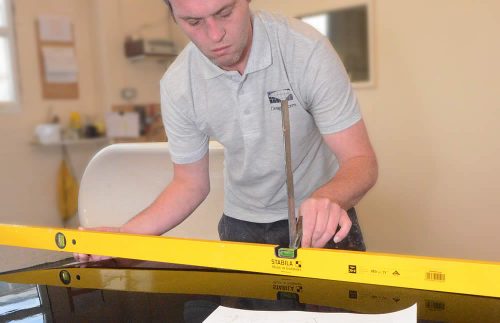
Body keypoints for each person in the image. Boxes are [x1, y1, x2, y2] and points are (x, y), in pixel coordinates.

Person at [75, 0, 378, 262]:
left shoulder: (306, 51)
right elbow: (189, 184)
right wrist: (124, 236)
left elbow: (361, 161)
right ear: (174, 16)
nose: (215, 34)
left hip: (319, 223)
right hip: (241, 227)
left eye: (224, 12)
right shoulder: (178, 85)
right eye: (193, 22)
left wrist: (330, 198)